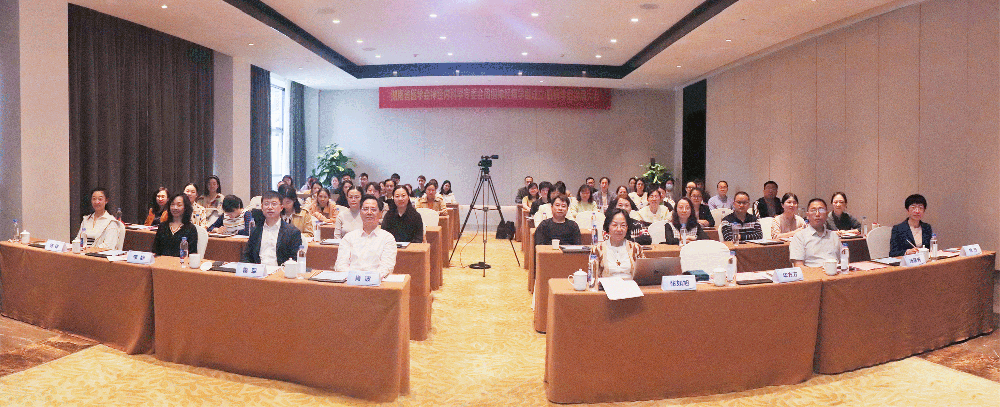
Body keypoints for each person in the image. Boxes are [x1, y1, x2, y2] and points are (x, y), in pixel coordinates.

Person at [334, 195, 397, 278]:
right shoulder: (349, 237)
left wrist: (368, 278)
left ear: (380, 214)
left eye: (373, 209)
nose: (369, 212)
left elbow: (387, 267)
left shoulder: (388, 238)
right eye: (365, 209)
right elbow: (340, 265)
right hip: (351, 282)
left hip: (377, 283)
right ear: (360, 212)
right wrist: (356, 278)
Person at [241, 190, 303, 266]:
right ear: (262, 207)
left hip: (281, 271)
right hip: (258, 270)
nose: (270, 207)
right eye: (266, 204)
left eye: (274, 204)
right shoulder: (255, 231)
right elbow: (246, 256)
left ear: (281, 207)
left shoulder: (292, 232)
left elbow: (295, 259)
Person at [592, 208, 646, 279]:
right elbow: (593, 276)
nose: (619, 229)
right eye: (615, 225)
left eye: (623, 225)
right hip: (607, 285)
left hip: (630, 285)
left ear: (627, 227)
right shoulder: (597, 249)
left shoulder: (636, 248)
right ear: (608, 226)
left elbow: (644, 274)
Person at [790, 198, 842, 267]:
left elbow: (842, 262)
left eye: (821, 210)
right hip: (811, 273)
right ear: (807, 215)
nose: (817, 214)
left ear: (827, 214)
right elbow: (799, 267)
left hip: (834, 272)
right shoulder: (799, 237)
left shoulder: (834, 236)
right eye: (813, 210)